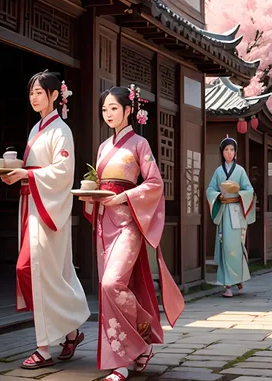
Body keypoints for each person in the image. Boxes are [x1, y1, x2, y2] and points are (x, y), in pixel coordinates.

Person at [81, 85, 185, 381]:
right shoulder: (103, 148)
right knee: (108, 288)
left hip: (128, 224)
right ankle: (135, 347)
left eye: (114, 108)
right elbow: (102, 184)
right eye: (105, 109)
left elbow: (154, 183)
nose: (108, 114)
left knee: (110, 283)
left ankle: (130, 352)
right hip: (106, 223)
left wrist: (123, 198)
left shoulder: (140, 144)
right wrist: (93, 197)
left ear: (128, 110)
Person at [0, 71, 90, 370]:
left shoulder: (61, 131)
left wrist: (27, 174)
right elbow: (36, 170)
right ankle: (72, 331)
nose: (34, 97)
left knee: (34, 270)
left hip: (47, 209)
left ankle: (43, 348)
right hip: (33, 205)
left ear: (55, 95)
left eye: (39, 92)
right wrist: (16, 174)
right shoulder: (37, 129)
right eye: (31, 93)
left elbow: (63, 173)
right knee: (40, 273)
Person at [207, 136, 256, 297]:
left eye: (232, 150)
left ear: (235, 153)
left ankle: (237, 277)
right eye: (226, 150)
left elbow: (249, 190)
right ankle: (228, 284)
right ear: (222, 152)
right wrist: (218, 197)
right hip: (223, 212)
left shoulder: (240, 171)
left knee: (236, 246)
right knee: (225, 247)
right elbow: (210, 190)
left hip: (236, 211)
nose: (229, 153)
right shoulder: (218, 171)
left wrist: (238, 195)